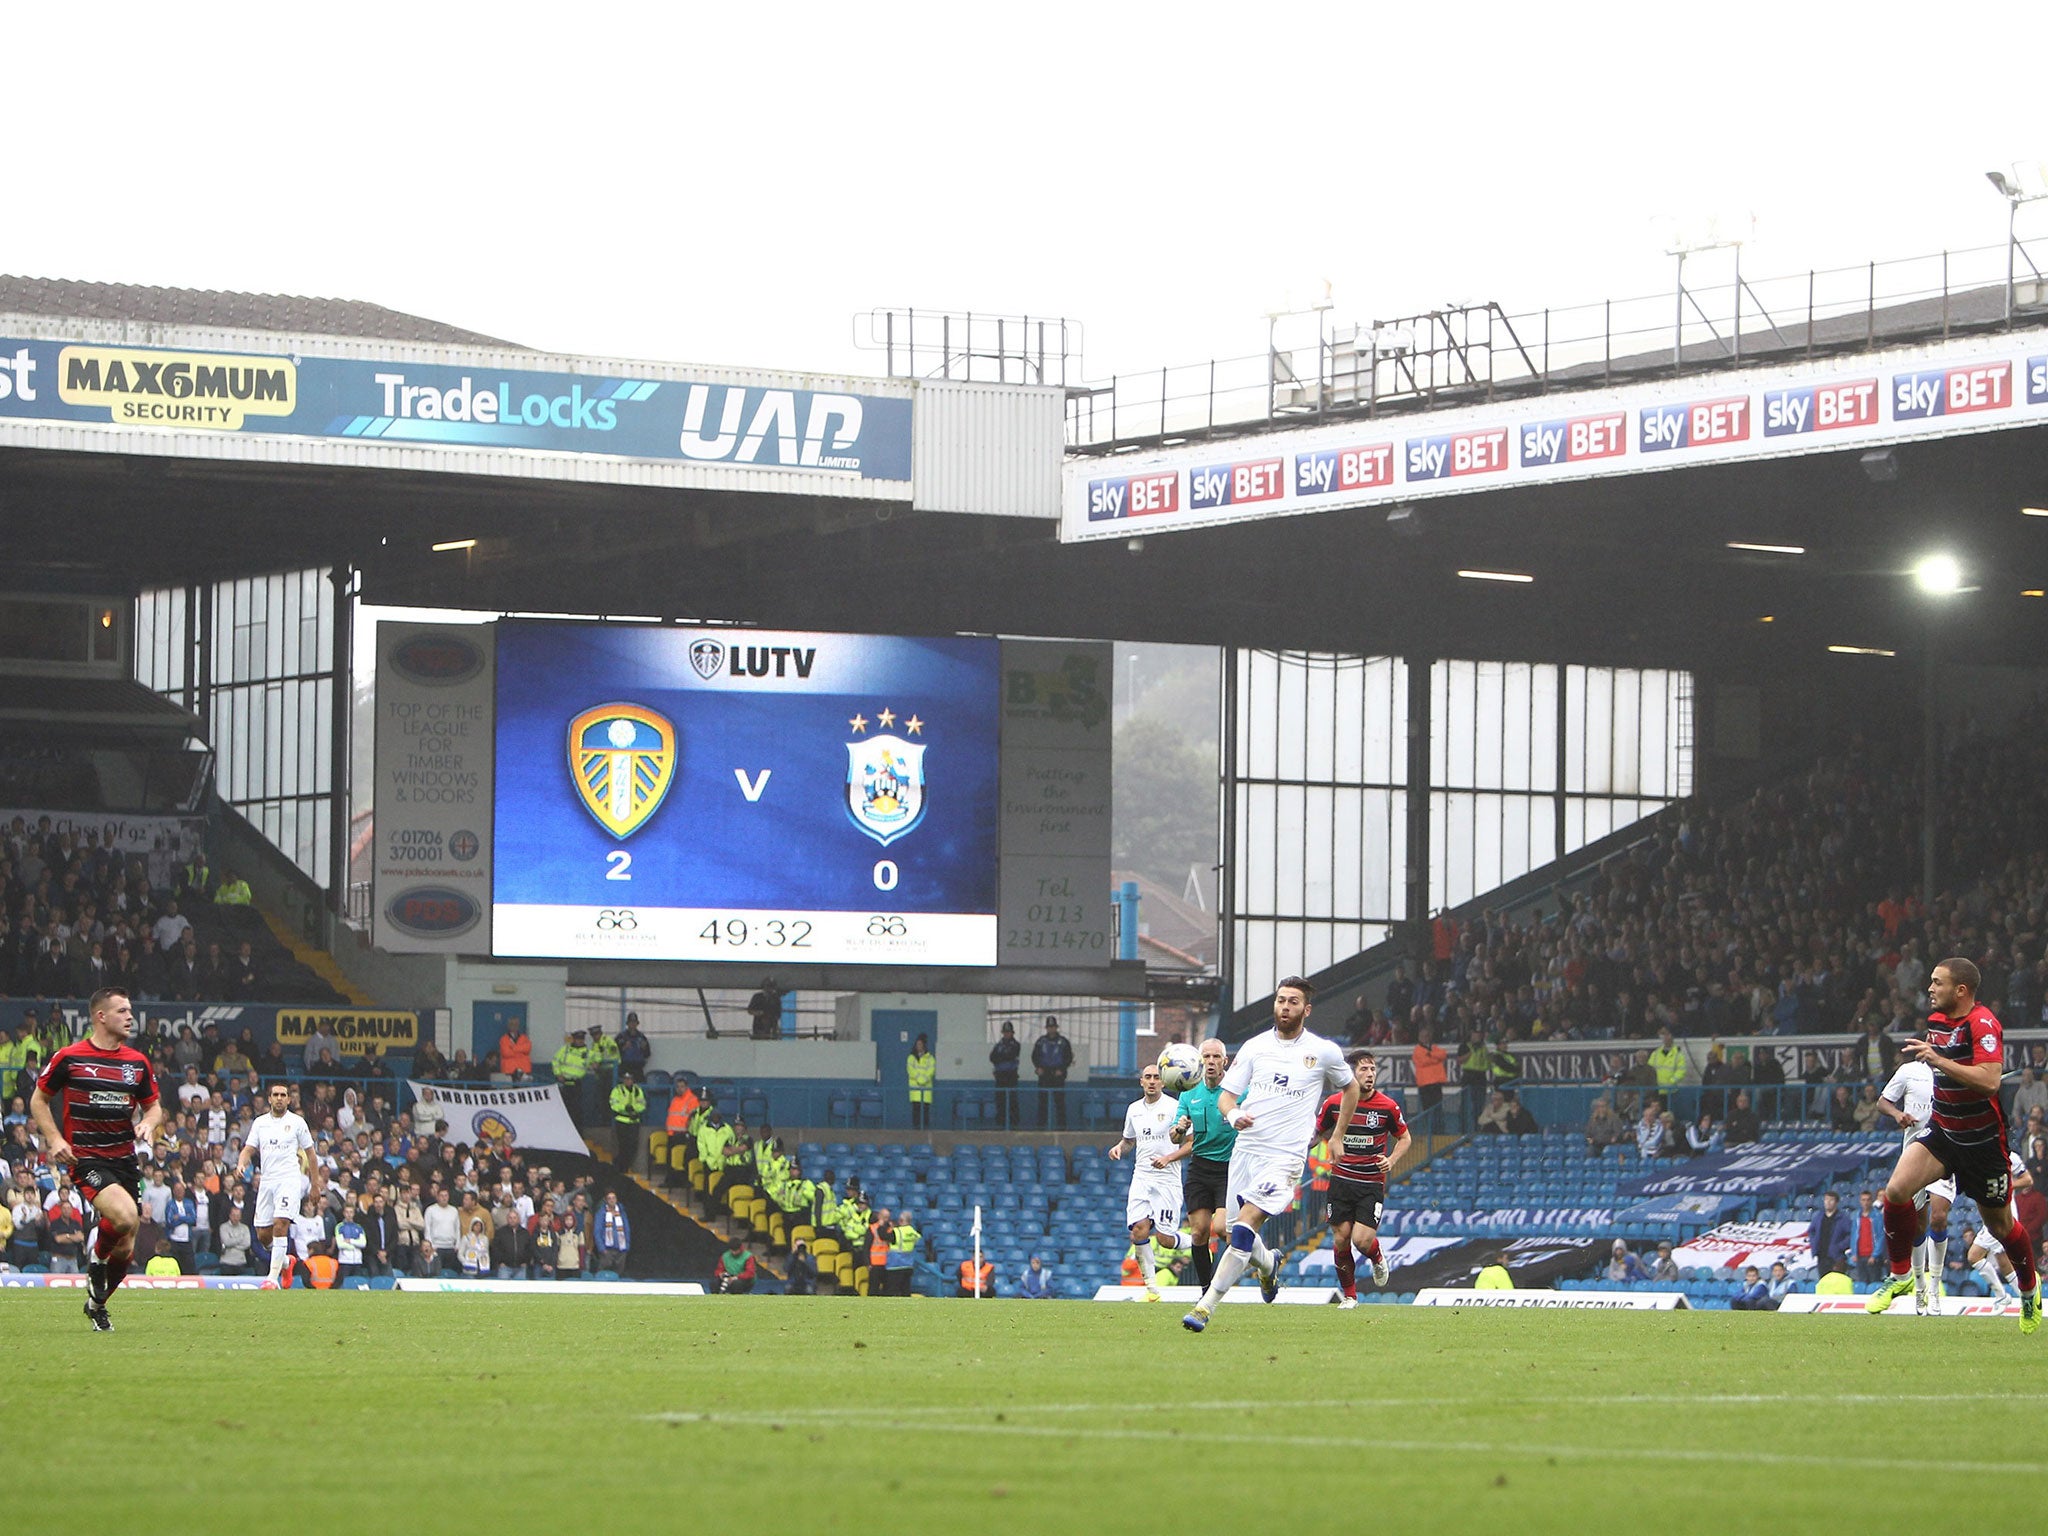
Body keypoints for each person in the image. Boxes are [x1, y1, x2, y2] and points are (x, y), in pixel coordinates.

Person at [1867, 959, 2039, 1330]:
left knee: (2000, 1227)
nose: (1929, 989)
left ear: (1960, 990)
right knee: (1896, 1191)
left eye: (1937, 983)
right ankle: (1902, 1276)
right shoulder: (1937, 1022)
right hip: (1944, 1133)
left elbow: (1990, 1082)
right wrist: (1936, 1057)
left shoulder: (1983, 1023)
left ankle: (2029, 1289)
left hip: (1982, 1143)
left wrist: (1939, 1060)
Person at [1183, 977, 1356, 1334]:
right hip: (1246, 1151)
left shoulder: (1323, 1051)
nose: (1285, 1007)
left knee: (1245, 1227)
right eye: (1280, 1000)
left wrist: (1337, 1135)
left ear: (1306, 1010)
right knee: (1233, 1233)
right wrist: (1233, 1116)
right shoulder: (1254, 1047)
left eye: (1293, 1002)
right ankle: (1268, 1266)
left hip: (1285, 1156)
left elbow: (1350, 1087)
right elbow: (1226, 1097)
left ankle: (1206, 1306)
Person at [29, 988, 162, 1332]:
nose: (130, 1016)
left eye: (130, 1010)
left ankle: (96, 1304)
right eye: (122, 1011)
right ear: (100, 1016)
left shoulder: (137, 1062)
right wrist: (55, 1138)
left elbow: (154, 1105)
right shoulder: (70, 1057)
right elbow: (38, 1101)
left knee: (128, 1242)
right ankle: (97, 1259)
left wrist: (148, 1121)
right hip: (86, 1157)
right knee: (124, 1215)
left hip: (124, 1159)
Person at [1316, 1050, 1410, 1310]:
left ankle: (1377, 1257)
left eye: (1372, 1069)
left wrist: (1391, 1160)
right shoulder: (1334, 1103)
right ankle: (1350, 1296)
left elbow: (1405, 1138)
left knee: (1362, 1240)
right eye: (1363, 1070)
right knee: (1341, 1238)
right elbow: (1316, 1132)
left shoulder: (1387, 1107)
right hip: (1341, 1181)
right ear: (1351, 1073)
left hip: (1370, 1184)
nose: (1369, 1075)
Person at [1109, 1062, 1189, 1300]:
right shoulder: (1133, 1109)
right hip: (1141, 1176)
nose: (1152, 1081)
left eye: (1156, 1077)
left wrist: (1167, 1158)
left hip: (1167, 1179)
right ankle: (1152, 1289)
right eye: (1148, 1077)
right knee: (1138, 1232)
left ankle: (1196, 1241)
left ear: (1163, 1082)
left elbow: (1190, 1144)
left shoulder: (1176, 1107)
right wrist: (1119, 1148)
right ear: (1141, 1082)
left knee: (1164, 1239)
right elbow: (1129, 1140)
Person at [1162, 1038, 1233, 1292]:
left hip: (1230, 1168)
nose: (1211, 1062)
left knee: (1223, 1228)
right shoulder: (1189, 1092)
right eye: (1206, 1057)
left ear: (1225, 1061)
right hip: (1200, 1168)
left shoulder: (1237, 1090)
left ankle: (1259, 1261)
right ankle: (1206, 1289)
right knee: (1199, 1232)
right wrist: (1179, 1129)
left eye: (1216, 1057)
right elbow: (1174, 1136)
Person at [236, 1080, 314, 1289]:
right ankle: (287, 1263)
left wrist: (315, 1186)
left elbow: (311, 1154)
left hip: (288, 1179)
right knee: (263, 1235)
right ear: (269, 1099)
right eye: (275, 1095)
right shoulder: (260, 1123)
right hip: (267, 1181)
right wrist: (241, 1163)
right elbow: (248, 1149)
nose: (279, 1098)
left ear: (289, 1099)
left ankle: (272, 1278)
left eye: (283, 1095)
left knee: (281, 1224)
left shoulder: (297, 1122)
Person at [1032, 1017, 1073, 1129]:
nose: (1051, 1029)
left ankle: (1062, 1127)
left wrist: (1062, 1069)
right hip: (1044, 1074)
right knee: (1042, 1102)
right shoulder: (1041, 1042)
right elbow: (1035, 1056)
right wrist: (1038, 1068)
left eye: (1053, 1027)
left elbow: (1068, 1057)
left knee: (1059, 1102)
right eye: (1049, 1027)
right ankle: (1041, 1126)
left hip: (1057, 1075)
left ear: (1056, 1027)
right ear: (1046, 1028)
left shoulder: (1063, 1042)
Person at [1410, 1026, 1449, 1135]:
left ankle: (1439, 1131)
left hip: (1436, 1082)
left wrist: (1430, 1055)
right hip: (1425, 1084)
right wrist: (1435, 1058)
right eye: (1423, 1036)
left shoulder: (1434, 1048)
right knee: (1428, 1109)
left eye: (1427, 1036)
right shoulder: (1417, 1050)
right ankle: (1431, 1132)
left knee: (1438, 1109)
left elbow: (1443, 1055)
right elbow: (1422, 1062)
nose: (1425, 1038)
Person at [1808, 1190, 1853, 1277]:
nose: (1828, 1202)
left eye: (1831, 1200)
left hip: (1836, 1258)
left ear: (1836, 1202)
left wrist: (1840, 1247)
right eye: (1826, 1200)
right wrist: (1814, 1244)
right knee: (1824, 1283)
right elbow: (1811, 1231)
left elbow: (1851, 1235)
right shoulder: (1819, 1216)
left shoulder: (1843, 1218)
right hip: (1821, 1256)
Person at [609, 1069, 645, 1173]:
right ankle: (621, 1167)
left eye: (629, 1079)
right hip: (622, 1121)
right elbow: (614, 1104)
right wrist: (625, 1108)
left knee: (633, 1146)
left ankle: (623, 1166)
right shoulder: (617, 1090)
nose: (628, 1081)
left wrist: (634, 1108)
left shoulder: (637, 1090)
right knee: (623, 1146)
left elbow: (642, 1104)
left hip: (634, 1121)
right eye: (626, 1079)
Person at [989, 1021, 1021, 1130]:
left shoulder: (1016, 1045)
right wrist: (1002, 1057)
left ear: (1012, 1033)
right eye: (1005, 1032)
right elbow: (992, 1058)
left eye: (1009, 1032)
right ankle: (1001, 1124)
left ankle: (1013, 1124)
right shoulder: (999, 1045)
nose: (1007, 1034)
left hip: (1011, 1076)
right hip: (1000, 1076)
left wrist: (1001, 1057)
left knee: (1012, 1101)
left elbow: (1011, 1055)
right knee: (1000, 1101)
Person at [594, 1189, 631, 1276]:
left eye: (613, 1198)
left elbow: (627, 1230)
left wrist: (627, 1246)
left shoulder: (621, 1212)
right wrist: (602, 1248)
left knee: (618, 1274)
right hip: (607, 1250)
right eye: (609, 1198)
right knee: (603, 1274)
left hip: (621, 1249)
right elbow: (597, 1231)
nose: (612, 1200)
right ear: (606, 1200)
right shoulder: (601, 1213)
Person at [905, 1033, 936, 1131]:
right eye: (917, 1044)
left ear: (924, 1045)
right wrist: (919, 1079)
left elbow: (931, 1071)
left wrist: (923, 1080)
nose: (919, 1046)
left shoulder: (930, 1058)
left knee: (926, 1111)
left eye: (921, 1044)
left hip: (926, 1090)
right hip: (915, 1090)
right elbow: (911, 1070)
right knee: (916, 1110)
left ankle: (925, 1130)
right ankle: (916, 1130)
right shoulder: (911, 1058)